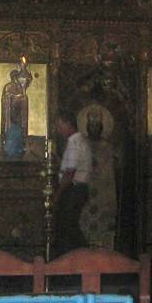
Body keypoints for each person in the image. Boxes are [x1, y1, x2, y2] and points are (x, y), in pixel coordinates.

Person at [53, 111, 91, 255]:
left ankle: (81, 256)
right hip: (79, 189)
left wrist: (58, 193)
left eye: (60, 126)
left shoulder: (74, 142)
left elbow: (70, 172)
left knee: (67, 226)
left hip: (73, 190)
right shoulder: (81, 140)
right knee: (69, 225)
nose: (59, 130)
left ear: (69, 124)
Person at [80, 108, 118, 250]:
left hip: (104, 197)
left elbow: (110, 171)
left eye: (97, 125)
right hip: (85, 195)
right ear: (87, 127)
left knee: (104, 231)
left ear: (102, 127)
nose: (94, 128)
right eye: (91, 125)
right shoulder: (81, 145)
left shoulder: (107, 147)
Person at [0, 69, 30, 159]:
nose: (16, 78)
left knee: (18, 131)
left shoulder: (20, 87)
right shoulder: (8, 86)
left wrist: (21, 98)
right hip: (9, 111)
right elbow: (5, 97)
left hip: (18, 111)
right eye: (15, 77)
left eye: (17, 77)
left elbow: (23, 96)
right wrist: (13, 97)